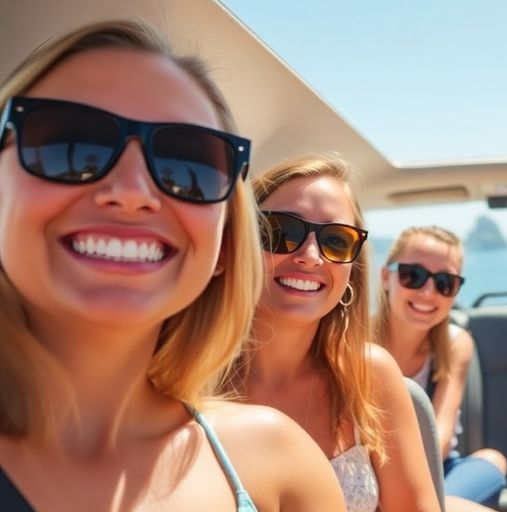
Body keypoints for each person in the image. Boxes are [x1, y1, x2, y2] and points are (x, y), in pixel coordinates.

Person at [0, 20, 346, 511]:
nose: (131, 192)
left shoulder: (281, 464)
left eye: (188, 168)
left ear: (224, 247)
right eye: (69, 146)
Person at [230, 155, 440, 511]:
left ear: (352, 271)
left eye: (337, 241)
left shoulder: (370, 375)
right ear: (239, 242)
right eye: (280, 231)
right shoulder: (180, 381)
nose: (311, 256)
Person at [374, 226, 507, 511]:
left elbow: (440, 439)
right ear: (386, 277)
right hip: (371, 472)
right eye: (413, 275)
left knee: (493, 461)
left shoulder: (456, 344)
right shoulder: (353, 341)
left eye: (445, 282)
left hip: (434, 467)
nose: (428, 292)